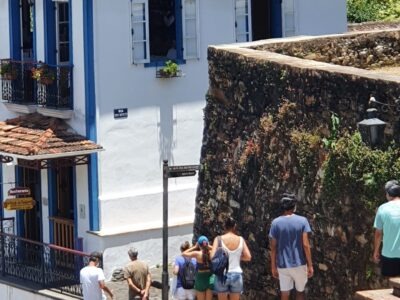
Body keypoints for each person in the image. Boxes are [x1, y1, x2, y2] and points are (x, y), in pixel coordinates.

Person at [269, 195, 313, 300]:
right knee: (300, 292)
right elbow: (306, 245)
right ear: (293, 207)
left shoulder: (275, 223)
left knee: (285, 293)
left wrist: (273, 266)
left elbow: (273, 247)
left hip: (283, 265)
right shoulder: (303, 221)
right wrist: (310, 265)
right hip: (299, 263)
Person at [211, 216, 252, 300]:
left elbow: (212, 257)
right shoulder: (241, 239)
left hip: (222, 274)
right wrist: (238, 257)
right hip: (237, 274)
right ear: (234, 226)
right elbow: (248, 257)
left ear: (224, 226)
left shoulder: (218, 239)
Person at [373, 184, 400, 276]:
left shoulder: (383, 208)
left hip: (389, 253)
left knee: (392, 282)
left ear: (388, 195)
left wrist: (376, 251)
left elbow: (378, 233)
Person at [183, 236, 214, 300]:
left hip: (200, 278)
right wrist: (209, 246)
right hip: (210, 277)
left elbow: (183, 253)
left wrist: (194, 247)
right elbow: (220, 250)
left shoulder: (197, 254)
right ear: (207, 243)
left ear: (199, 245)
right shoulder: (211, 252)